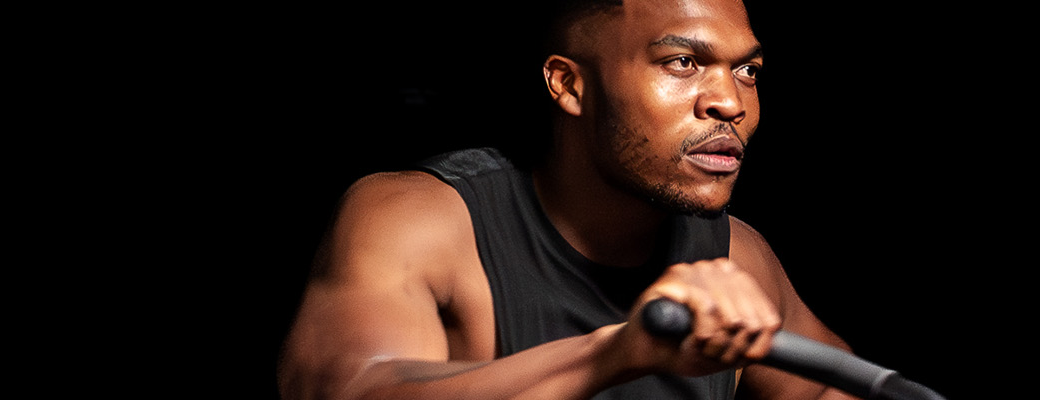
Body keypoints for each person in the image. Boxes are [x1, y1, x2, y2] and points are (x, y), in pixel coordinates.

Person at [278, 0, 859, 399]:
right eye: (683, 62)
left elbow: (841, 385)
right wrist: (612, 354)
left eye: (748, 70)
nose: (730, 102)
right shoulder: (419, 221)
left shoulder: (737, 255)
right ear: (569, 84)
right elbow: (349, 390)